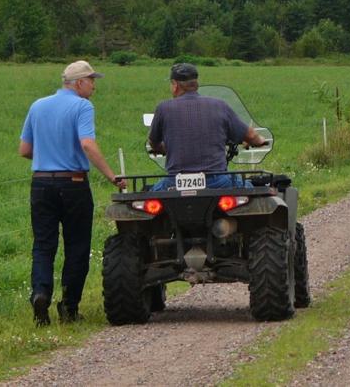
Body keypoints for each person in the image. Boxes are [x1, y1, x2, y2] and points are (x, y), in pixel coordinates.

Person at [20, 60, 126, 326]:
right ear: (78, 83)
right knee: (77, 246)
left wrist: (47, 156)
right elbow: (87, 144)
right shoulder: (82, 106)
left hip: (41, 183)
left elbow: (24, 150)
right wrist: (111, 176)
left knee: (43, 245)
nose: (94, 87)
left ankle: (40, 293)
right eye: (91, 81)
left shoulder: (37, 106)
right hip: (74, 183)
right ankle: (69, 307)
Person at [149, 63, 266, 191]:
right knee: (251, 191)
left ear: (175, 85)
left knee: (151, 197)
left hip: (175, 181)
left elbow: (153, 143)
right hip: (217, 181)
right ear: (195, 84)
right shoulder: (219, 105)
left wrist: (163, 149)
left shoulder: (164, 108)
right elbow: (251, 136)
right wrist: (260, 141)